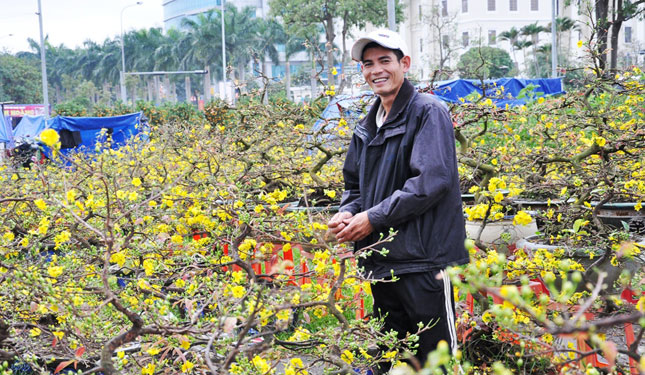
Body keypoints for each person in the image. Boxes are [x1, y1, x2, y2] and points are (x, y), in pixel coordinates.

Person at [327, 29, 469, 370]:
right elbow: (354, 185)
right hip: (383, 260)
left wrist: (373, 219)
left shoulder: (427, 112)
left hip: (423, 261)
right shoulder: (368, 124)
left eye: (385, 61)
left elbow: (430, 182)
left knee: (437, 359)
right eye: (368, 63)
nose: (376, 70)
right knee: (392, 354)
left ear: (404, 63)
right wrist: (347, 213)